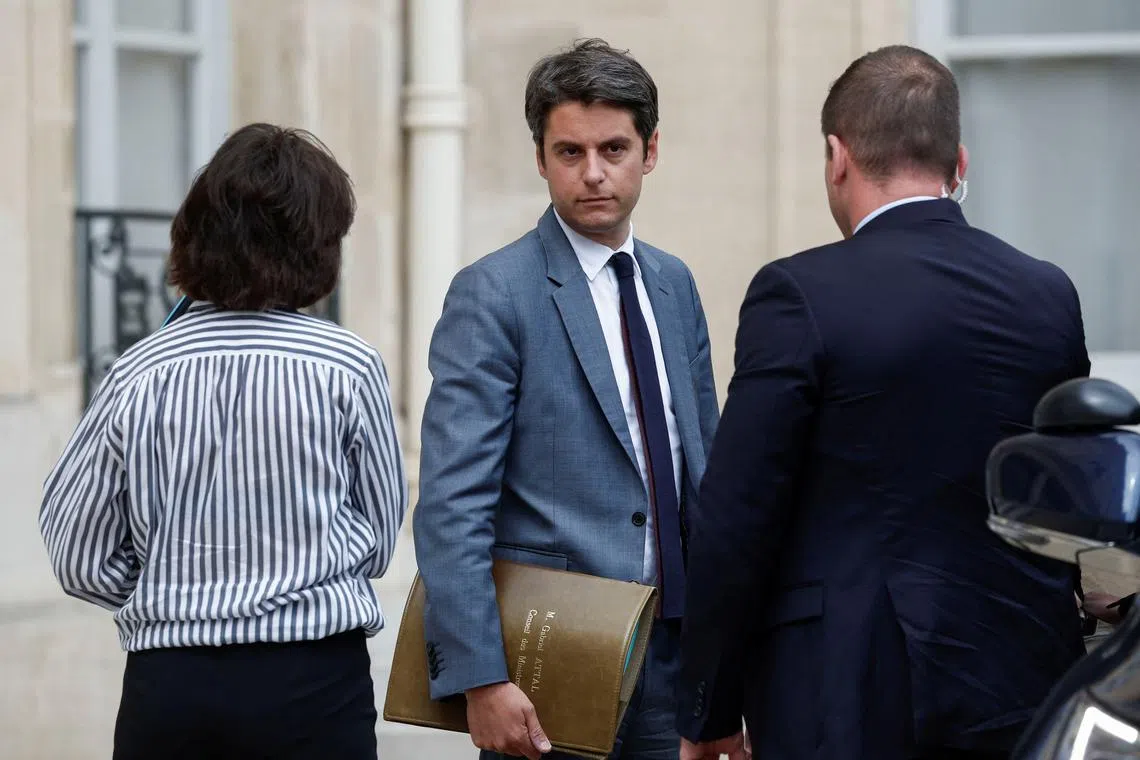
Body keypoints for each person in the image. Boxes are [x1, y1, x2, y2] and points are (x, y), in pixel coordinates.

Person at [675, 45, 1090, 760]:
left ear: (838, 157)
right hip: (1022, 685)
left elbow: (737, 514)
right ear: (959, 163)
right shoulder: (1047, 294)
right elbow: (1064, 490)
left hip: (848, 695)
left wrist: (708, 709)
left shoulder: (799, 293)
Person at [39, 122, 408, 760]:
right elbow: (377, 538)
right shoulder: (348, 366)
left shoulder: (137, 371)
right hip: (314, 682)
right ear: (319, 245)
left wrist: (168, 586)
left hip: (171, 684)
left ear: (196, 233)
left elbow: (77, 554)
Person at [413, 38, 720, 760]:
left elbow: (704, 471)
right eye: (569, 152)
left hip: (677, 657)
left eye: (613, 149)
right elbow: (453, 503)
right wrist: (480, 677)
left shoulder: (674, 285)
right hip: (549, 662)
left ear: (650, 151)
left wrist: (726, 661)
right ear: (541, 158)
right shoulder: (494, 293)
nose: (593, 173)